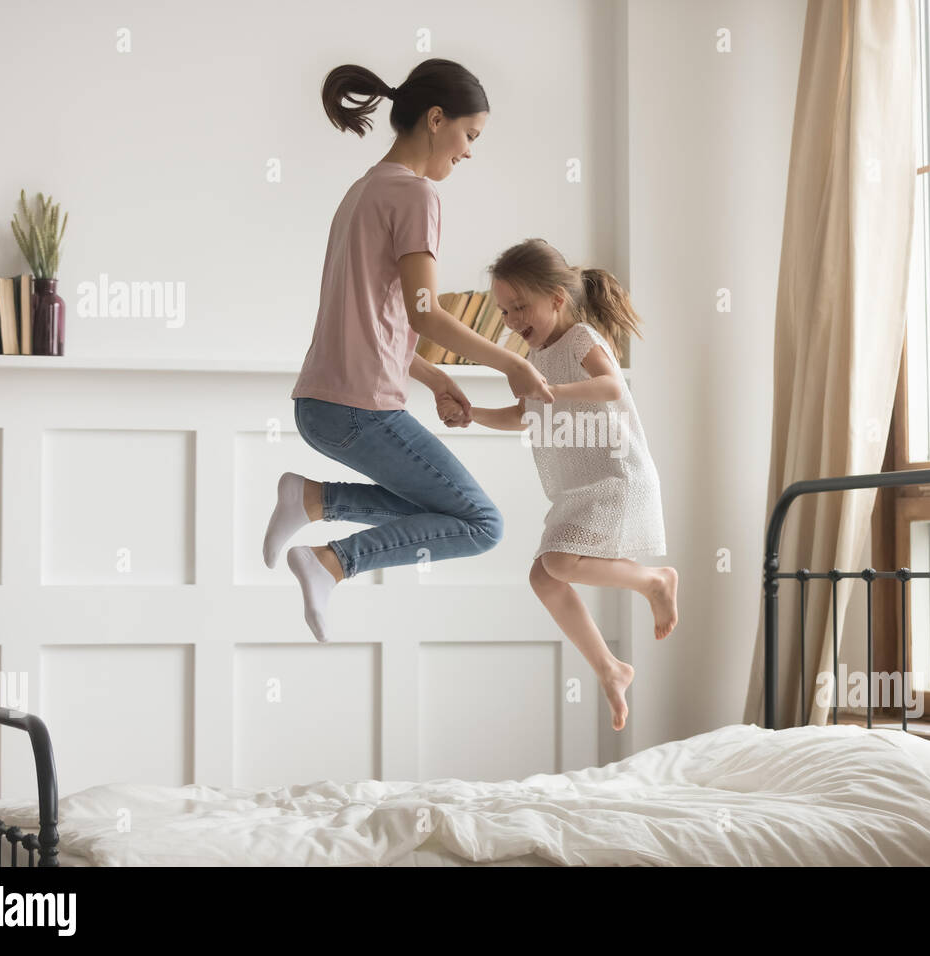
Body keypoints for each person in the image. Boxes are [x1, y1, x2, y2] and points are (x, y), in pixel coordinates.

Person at [262, 58, 553, 643]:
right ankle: (331, 561)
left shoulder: (362, 191)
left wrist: (431, 377)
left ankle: (313, 499)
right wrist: (515, 363)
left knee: (444, 510)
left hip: (322, 403)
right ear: (437, 118)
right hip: (358, 409)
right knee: (482, 523)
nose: (469, 152)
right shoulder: (416, 195)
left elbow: (372, 319)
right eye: (469, 136)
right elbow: (424, 312)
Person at [453, 238, 678, 731]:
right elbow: (524, 415)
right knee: (544, 576)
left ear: (556, 298)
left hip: (617, 476)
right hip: (576, 488)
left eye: (520, 307)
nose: (511, 320)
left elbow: (612, 387)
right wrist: (474, 416)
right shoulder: (532, 356)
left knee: (557, 562)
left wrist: (549, 392)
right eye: (503, 310)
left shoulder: (580, 339)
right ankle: (611, 669)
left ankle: (656, 580)